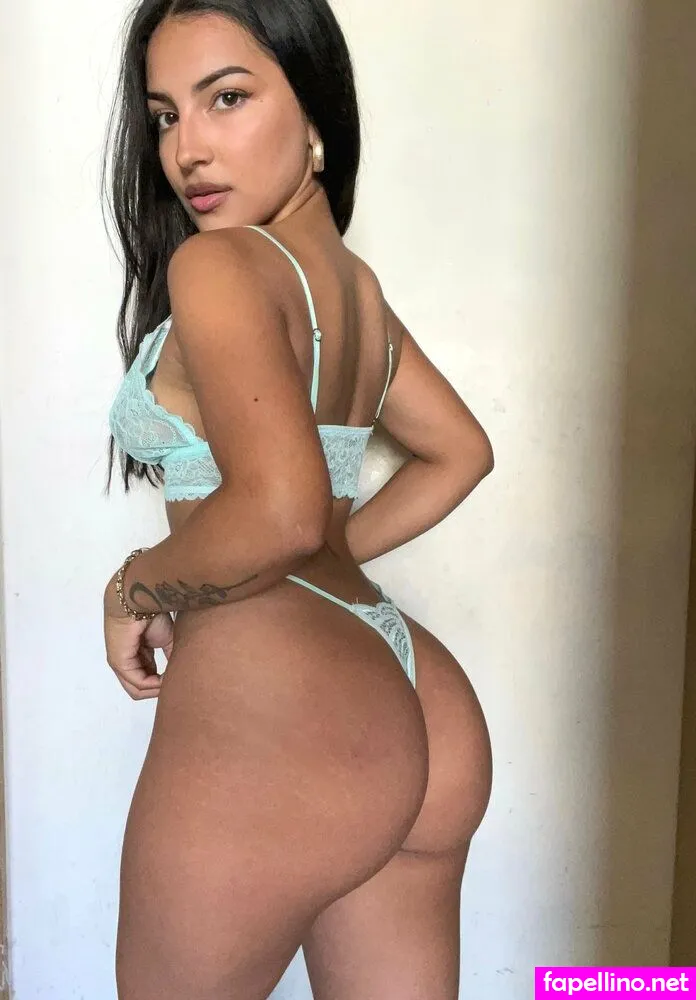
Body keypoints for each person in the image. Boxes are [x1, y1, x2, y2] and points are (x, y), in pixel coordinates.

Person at [101, 0, 495, 996]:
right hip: (414, 690)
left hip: (281, 709)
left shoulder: (220, 266)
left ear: (316, 112)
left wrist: (133, 588)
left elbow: (277, 514)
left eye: (227, 98)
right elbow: (461, 454)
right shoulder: (355, 290)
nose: (187, 149)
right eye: (165, 115)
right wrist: (334, 555)